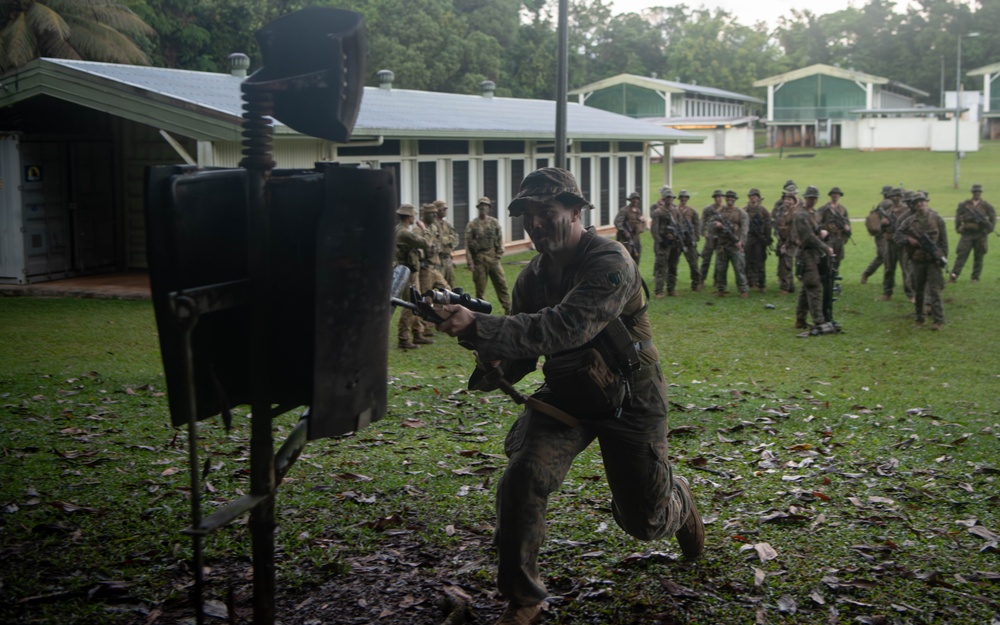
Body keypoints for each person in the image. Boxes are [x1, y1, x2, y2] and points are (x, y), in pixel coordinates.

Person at [437, 167, 704, 625]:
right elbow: (524, 351)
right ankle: (524, 600)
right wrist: (490, 359)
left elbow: (566, 327)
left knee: (644, 522)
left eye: (548, 212)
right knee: (523, 476)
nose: (537, 224)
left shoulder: (611, 260)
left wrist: (480, 326)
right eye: (528, 216)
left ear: (577, 212)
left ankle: (677, 500)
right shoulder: (531, 278)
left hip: (630, 395)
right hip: (568, 393)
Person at [895, 192, 948, 329]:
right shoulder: (909, 221)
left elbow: (944, 242)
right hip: (917, 260)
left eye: (922, 201)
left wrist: (941, 258)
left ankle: (938, 320)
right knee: (918, 290)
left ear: (927, 202)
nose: (920, 204)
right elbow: (898, 236)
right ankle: (919, 318)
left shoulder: (937, 219)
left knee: (935, 290)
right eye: (917, 202)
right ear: (914, 205)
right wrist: (909, 240)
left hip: (933, 261)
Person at [792, 186, 838, 335]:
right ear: (805, 198)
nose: (812, 200)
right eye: (810, 198)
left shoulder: (814, 214)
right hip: (806, 254)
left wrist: (822, 232)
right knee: (814, 286)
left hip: (814, 254)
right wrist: (825, 247)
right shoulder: (801, 215)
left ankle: (800, 319)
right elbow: (808, 237)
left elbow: (816, 230)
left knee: (807, 287)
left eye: (815, 198)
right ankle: (819, 320)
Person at [394, 204, 434, 349]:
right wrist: (425, 229)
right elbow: (425, 243)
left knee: (416, 302)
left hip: (410, 270)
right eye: (413, 216)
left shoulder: (399, 230)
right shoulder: (404, 232)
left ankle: (417, 333)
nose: (415, 218)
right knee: (410, 304)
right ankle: (403, 338)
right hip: (407, 272)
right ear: (409, 217)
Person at [465, 196, 512, 315]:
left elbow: (500, 238)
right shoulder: (472, 225)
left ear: (489, 208)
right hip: (479, 259)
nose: (483, 208)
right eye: (481, 206)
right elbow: (467, 245)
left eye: (486, 206)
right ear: (478, 208)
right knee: (480, 288)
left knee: (501, 284)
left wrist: (499, 254)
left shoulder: (494, 222)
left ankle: (508, 308)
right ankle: (481, 312)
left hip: (493, 257)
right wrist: (470, 262)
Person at [950, 183, 996, 283]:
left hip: (980, 234)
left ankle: (975, 277)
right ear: (972, 192)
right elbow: (958, 216)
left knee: (978, 256)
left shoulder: (985, 205)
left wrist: (988, 230)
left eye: (979, 192)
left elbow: (993, 218)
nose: (977, 194)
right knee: (961, 255)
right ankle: (954, 275)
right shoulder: (965, 204)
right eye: (975, 192)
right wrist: (959, 228)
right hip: (967, 234)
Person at [710, 190, 749, 297]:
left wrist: (741, 242)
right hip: (722, 244)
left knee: (739, 268)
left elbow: (744, 229)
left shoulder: (741, 213)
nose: (730, 199)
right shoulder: (720, 212)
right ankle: (721, 289)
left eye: (732, 197)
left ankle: (743, 290)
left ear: (735, 199)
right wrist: (716, 225)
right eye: (728, 197)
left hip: (735, 245)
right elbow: (711, 225)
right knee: (720, 268)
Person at [878, 188, 914, 302]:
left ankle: (910, 294)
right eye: (893, 196)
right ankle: (887, 292)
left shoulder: (907, 211)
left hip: (903, 244)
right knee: (889, 268)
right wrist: (883, 224)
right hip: (890, 243)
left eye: (897, 196)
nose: (895, 198)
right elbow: (881, 229)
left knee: (906, 269)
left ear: (902, 197)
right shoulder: (888, 211)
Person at [650, 186, 682, 297]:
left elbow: (679, 225)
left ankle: (671, 289)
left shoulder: (676, 211)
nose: (669, 199)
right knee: (661, 267)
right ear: (663, 198)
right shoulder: (658, 212)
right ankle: (659, 291)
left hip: (674, 243)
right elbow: (654, 229)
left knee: (673, 266)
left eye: (671, 197)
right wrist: (660, 241)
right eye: (667, 197)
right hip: (664, 243)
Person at [861, 185, 894, 285]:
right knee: (886, 258)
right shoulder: (888, 203)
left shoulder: (883, 203)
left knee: (881, 257)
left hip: (882, 234)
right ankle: (887, 282)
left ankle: (867, 274)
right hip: (882, 235)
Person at [772, 184, 801, 294]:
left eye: (789, 199)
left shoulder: (795, 213)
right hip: (781, 240)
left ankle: (785, 287)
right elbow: (777, 224)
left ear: (794, 201)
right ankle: (790, 286)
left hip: (790, 242)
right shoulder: (781, 211)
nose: (787, 201)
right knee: (782, 262)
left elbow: (793, 230)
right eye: (785, 199)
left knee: (787, 264)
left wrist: (787, 243)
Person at [744, 188, 772, 292]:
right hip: (748, 238)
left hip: (760, 240)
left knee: (760, 261)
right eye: (751, 196)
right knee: (747, 261)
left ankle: (761, 284)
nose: (753, 198)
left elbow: (768, 225)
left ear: (759, 198)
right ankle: (749, 282)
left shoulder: (763, 211)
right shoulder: (744, 210)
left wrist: (767, 238)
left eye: (755, 196)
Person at [818, 187, 850, 272]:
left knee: (838, 258)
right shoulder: (824, 208)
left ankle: (833, 275)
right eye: (834, 194)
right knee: (828, 257)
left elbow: (847, 222)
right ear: (830, 195)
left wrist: (847, 228)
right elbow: (816, 222)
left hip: (839, 238)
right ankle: (827, 277)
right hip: (829, 238)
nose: (835, 195)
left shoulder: (842, 209)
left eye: (837, 194)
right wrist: (826, 228)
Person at [676, 190, 702, 291]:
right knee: (672, 263)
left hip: (689, 241)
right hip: (678, 241)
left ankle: (696, 283)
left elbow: (697, 224)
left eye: (685, 198)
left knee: (693, 263)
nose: (683, 199)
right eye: (682, 198)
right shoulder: (674, 210)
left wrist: (696, 237)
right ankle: (671, 286)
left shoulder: (692, 211)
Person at [699, 189, 725, 289]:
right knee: (706, 259)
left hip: (720, 238)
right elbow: (702, 221)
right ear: (714, 198)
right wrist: (703, 233)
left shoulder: (725, 209)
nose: (719, 198)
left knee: (719, 260)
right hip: (710, 237)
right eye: (717, 197)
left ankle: (717, 280)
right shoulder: (708, 209)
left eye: (720, 196)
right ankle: (701, 280)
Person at [614, 191, 647, 264]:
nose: (635, 200)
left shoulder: (638, 211)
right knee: (626, 259)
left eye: (637, 199)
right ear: (630, 200)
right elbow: (617, 222)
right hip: (626, 239)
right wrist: (624, 232)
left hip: (636, 238)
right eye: (634, 199)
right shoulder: (624, 210)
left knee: (636, 257)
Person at [435, 199, 460, 287]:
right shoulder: (433, 225)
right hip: (438, 260)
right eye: (443, 209)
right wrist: (448, 239)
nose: (445, 211)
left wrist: (444, 239)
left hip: (448, 259)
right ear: (437, 210)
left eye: (446, 209)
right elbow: (435, 241)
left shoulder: (447, 224)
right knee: (439, 286)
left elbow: (455, 239)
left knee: (451, 285)